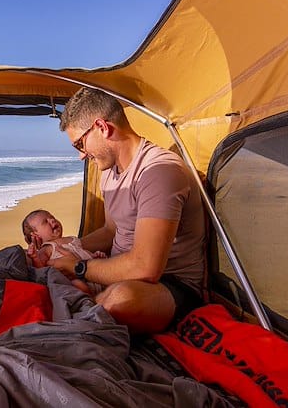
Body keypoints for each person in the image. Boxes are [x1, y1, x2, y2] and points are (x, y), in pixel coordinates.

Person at [49, 88, 206, 334]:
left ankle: (80, 315)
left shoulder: (158, 172)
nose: (81, 156)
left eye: (80, 144)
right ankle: (83, 311)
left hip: (168, 285)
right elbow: (111, 230)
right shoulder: (109, 173)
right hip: (120, 271)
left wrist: (78, 266)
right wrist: (68, 247)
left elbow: (146, 267)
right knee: (52, 274)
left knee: (121, 299)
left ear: (102, 127)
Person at [22, 208, 105, 294]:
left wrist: (93, 256)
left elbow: (81, 252)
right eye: (45, 222)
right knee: (78, 284)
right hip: (77, 281)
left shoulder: (71, 238)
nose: (52, 220)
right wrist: (35, 258)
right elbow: (42, 270)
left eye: (52, 217)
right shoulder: (47, 248)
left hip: (91, 274)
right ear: (35, 235)